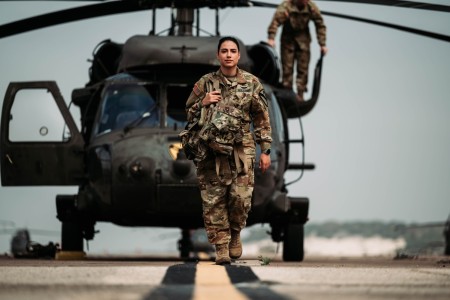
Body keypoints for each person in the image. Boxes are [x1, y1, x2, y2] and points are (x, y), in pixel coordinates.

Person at [184, 36, 272, 265]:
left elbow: (262, 118)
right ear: (218, 55)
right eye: (224, 51)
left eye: (233, 50)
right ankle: (221, 247)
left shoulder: (251, 83)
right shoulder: (205, 83)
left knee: (240, 198)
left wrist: (266, 150)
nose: (229, 54)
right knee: (213, 200)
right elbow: (188, 114)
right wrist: (202, 102)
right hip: (211, 150)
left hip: (242, 148)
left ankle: (235, 234)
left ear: (238, 55)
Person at [267, 0, 328, 102]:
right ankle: (287, 90)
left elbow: (320, 24)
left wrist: (322, 44)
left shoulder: (310, 7)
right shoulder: (287, 6)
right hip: (288, 40)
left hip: (303, 40)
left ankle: (300, 94)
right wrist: (271, 38)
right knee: (287, 68)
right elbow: (276, 21)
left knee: (303, 68)